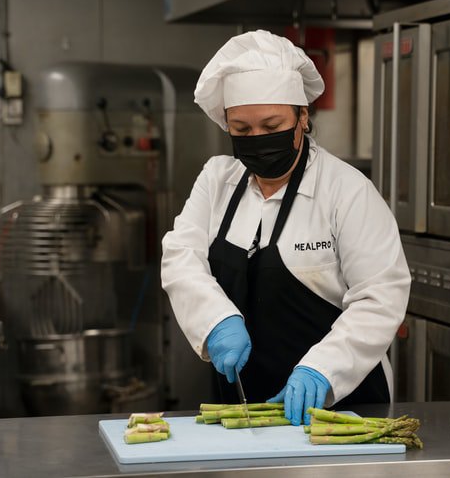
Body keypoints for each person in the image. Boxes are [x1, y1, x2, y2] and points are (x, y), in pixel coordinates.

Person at [161, 30, 410, 426]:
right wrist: (215, 320)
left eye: (271, 124)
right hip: (242, 410)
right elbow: (180, 256)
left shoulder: (346, 191)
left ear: (302, 117)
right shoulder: (217, 179)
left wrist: (323, 370)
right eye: (241, 130)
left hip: (341, 408)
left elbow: (380, 297)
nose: (257, 140)